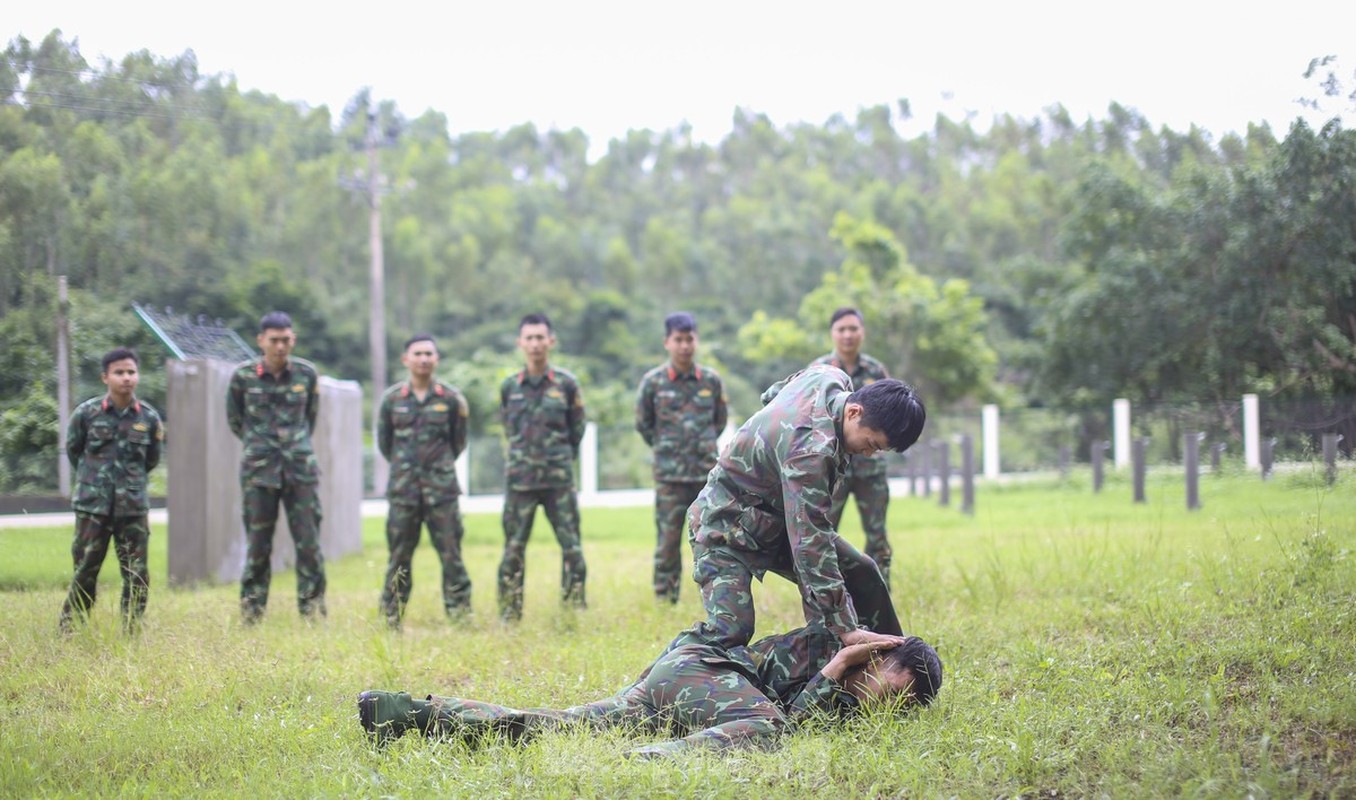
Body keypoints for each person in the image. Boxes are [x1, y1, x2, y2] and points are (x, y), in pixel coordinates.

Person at [357, 623, 942, 756]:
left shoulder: (849, 687)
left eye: (891, 703)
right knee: (771, 729)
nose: (873, 698)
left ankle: (403, 711)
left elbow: (805, 713)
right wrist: (839, 659)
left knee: (553, 725)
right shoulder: (825, 646)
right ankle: (657, 761)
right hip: (695, 674)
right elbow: (787, 718)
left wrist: (841, 675)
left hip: (683, 691)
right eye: (881, 684)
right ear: (880, 654)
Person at [680, 364, 925, 652]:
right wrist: (845, 627)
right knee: (729, 631)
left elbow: (772, 395)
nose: (869, 454)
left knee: (861, 570)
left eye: (878, 450)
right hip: (724, 525)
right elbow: (811, 548)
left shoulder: (828, 376)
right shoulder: (810, 454)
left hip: (777, 519)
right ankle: (649, 688)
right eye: (871, 443)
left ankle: (896, 662)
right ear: (854, 411)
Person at [226, 311, 326, 623]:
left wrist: (293, 446)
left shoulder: (307, 375)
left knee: (308, 545)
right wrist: (261, 445)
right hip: (259, 473)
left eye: (286, 340)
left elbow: (310, 418)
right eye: (274, 340)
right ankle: (252, 615)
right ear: (261, 341)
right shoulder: (243, 377)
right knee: (258, 547)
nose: (280, 346)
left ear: (293, 340)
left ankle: (312, 614)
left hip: (300, 471)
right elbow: (235, 420)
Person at [60, 348, 164, 633]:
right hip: (93, 507)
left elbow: (151, 459)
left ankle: (132, 632)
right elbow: (74, 451)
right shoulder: (86, 413)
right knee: (85, 571)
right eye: (119, 372)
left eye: (131, 372)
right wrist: (97, 482)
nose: (126, 378)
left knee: (137, 573)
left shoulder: (149, 419)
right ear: (105, 377)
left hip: (132, 507)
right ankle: (70, 630)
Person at [376, 334, 472, 628]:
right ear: (406, 359)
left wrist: (435, 468)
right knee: (399, 556)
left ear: (436, 359)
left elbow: (459, 442)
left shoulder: (452, 399)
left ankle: (459, 616)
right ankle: (391, 617)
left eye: (429, 354)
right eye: (417, 354)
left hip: (441, 492)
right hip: (404, 493)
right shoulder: (392, 400)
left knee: (451, 555)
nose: (423, 359)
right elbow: (385, 444)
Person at [497, 313, 587, 621]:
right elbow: (507, 428)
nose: (535, 344)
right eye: (529, 338)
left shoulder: (566, 384)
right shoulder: (510, 386)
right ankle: (509, 613)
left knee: (572, 548)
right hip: (520, 482)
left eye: (540, 338)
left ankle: (573, 608)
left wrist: (558, 458)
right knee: (513, 549)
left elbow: (577, 430)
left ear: (551, 341)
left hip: (558, 481)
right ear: (520, 343)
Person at [634, 312, 728, 603]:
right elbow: (644, 424)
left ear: (696, 341)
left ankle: (717, 596)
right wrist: (667, 447)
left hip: (705, 474)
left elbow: (719, 421)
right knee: (668, 539)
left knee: (712, 537)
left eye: (689, 339)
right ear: (667, 342)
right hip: (669, 477)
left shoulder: (710, 381)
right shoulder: (653, 382)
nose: (685, 346)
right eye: (678, 340)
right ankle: (665, 596)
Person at [812, 307, 896, 589]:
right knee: (824, 531)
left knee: (877, 534)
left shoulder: (875, 370)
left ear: (862, 332)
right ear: (832, 334)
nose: (848, 335)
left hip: (870, 469)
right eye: (841, 329)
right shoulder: (820, 370)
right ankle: (829, 589)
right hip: (834, 468)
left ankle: (879, 589)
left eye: (853, 329)